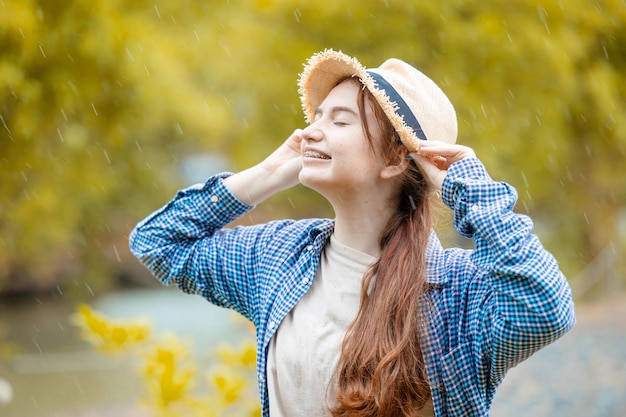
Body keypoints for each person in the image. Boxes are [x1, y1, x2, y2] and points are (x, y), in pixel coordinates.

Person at [129, 49, 575, 416]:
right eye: (316, 116)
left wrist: (468, 189)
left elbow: (545, 307)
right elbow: (158, 241)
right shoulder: (278, 257)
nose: (309, 132)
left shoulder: (456, 291)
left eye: (338, 122)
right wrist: (266, 174)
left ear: (396, 160)